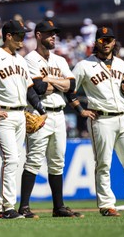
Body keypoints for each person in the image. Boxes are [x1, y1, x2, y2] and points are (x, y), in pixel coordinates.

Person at [69, 26, 124, 217]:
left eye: (109, 40)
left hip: (123, 117)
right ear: (96, 43)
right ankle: (107, 205)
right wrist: (79, 109)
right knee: (103, 164)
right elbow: (69, 88)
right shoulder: (84, 65)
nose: (106, 43)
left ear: (114, 42)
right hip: (100, 118)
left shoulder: (121, 64)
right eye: (102, 40)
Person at [0, 19, 48, 220]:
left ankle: (0, 208)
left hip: (21, 114)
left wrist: (41, 109)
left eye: (24, 35)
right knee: (11, 159)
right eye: (19, 35)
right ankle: (7, 208)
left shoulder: (20, 60)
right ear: (8, 36)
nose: (23, 39)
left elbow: (29, 90)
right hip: (2, 115)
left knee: (14, 161)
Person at [18, 20, 83, 219]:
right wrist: (59, 83)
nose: (53, 36)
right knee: (33, 161)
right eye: (49, 33)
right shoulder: (29, 59)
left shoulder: (60, 60)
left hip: (59, 114)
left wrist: (50, 80)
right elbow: (37, 88)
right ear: (38, 35)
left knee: (57, 162)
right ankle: (24, 208)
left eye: (54, 33)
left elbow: (71, 86)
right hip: (39, 114)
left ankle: (59, 207)